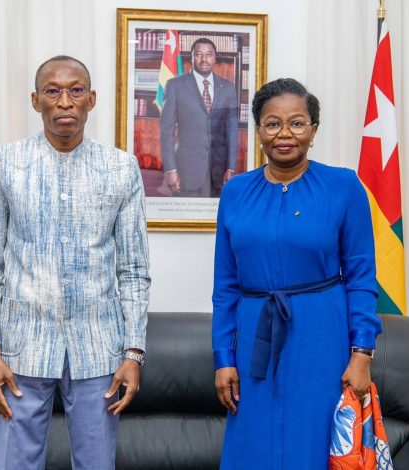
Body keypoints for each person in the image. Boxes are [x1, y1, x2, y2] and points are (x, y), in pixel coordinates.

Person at [0, 55, 151, 470]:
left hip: (99, 351)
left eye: (76, 91)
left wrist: (133, 353)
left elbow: (134, 270)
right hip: (21, 350)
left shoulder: (121, 167)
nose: (65, 101)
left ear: (92, 100)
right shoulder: (4, 164)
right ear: (36, 101)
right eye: (53, 91)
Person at [211, 78, 383, 468]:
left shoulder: (343, 186)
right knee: (253, 443)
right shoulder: (236, 192)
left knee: (315, 438)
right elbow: (225, 286)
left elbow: (360, 276)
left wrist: (361, 353)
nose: (284, 134)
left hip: (322, 332)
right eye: (272, 124)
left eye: (297, 123)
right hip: (254, 335)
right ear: (258, 131)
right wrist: (224, 357)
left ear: (314, 130)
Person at [160, 37, 239, 197]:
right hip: (185, 170)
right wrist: (170, 169)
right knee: (184, 217)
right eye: (199, 54)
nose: (204, 59)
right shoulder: (175, 86)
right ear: (192, 57)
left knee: (215, 219)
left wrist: (231, 167)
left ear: (215, 57)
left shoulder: (228, 89)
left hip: (218, 170)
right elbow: (166, 132)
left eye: (209, 54)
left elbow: (232, 131)